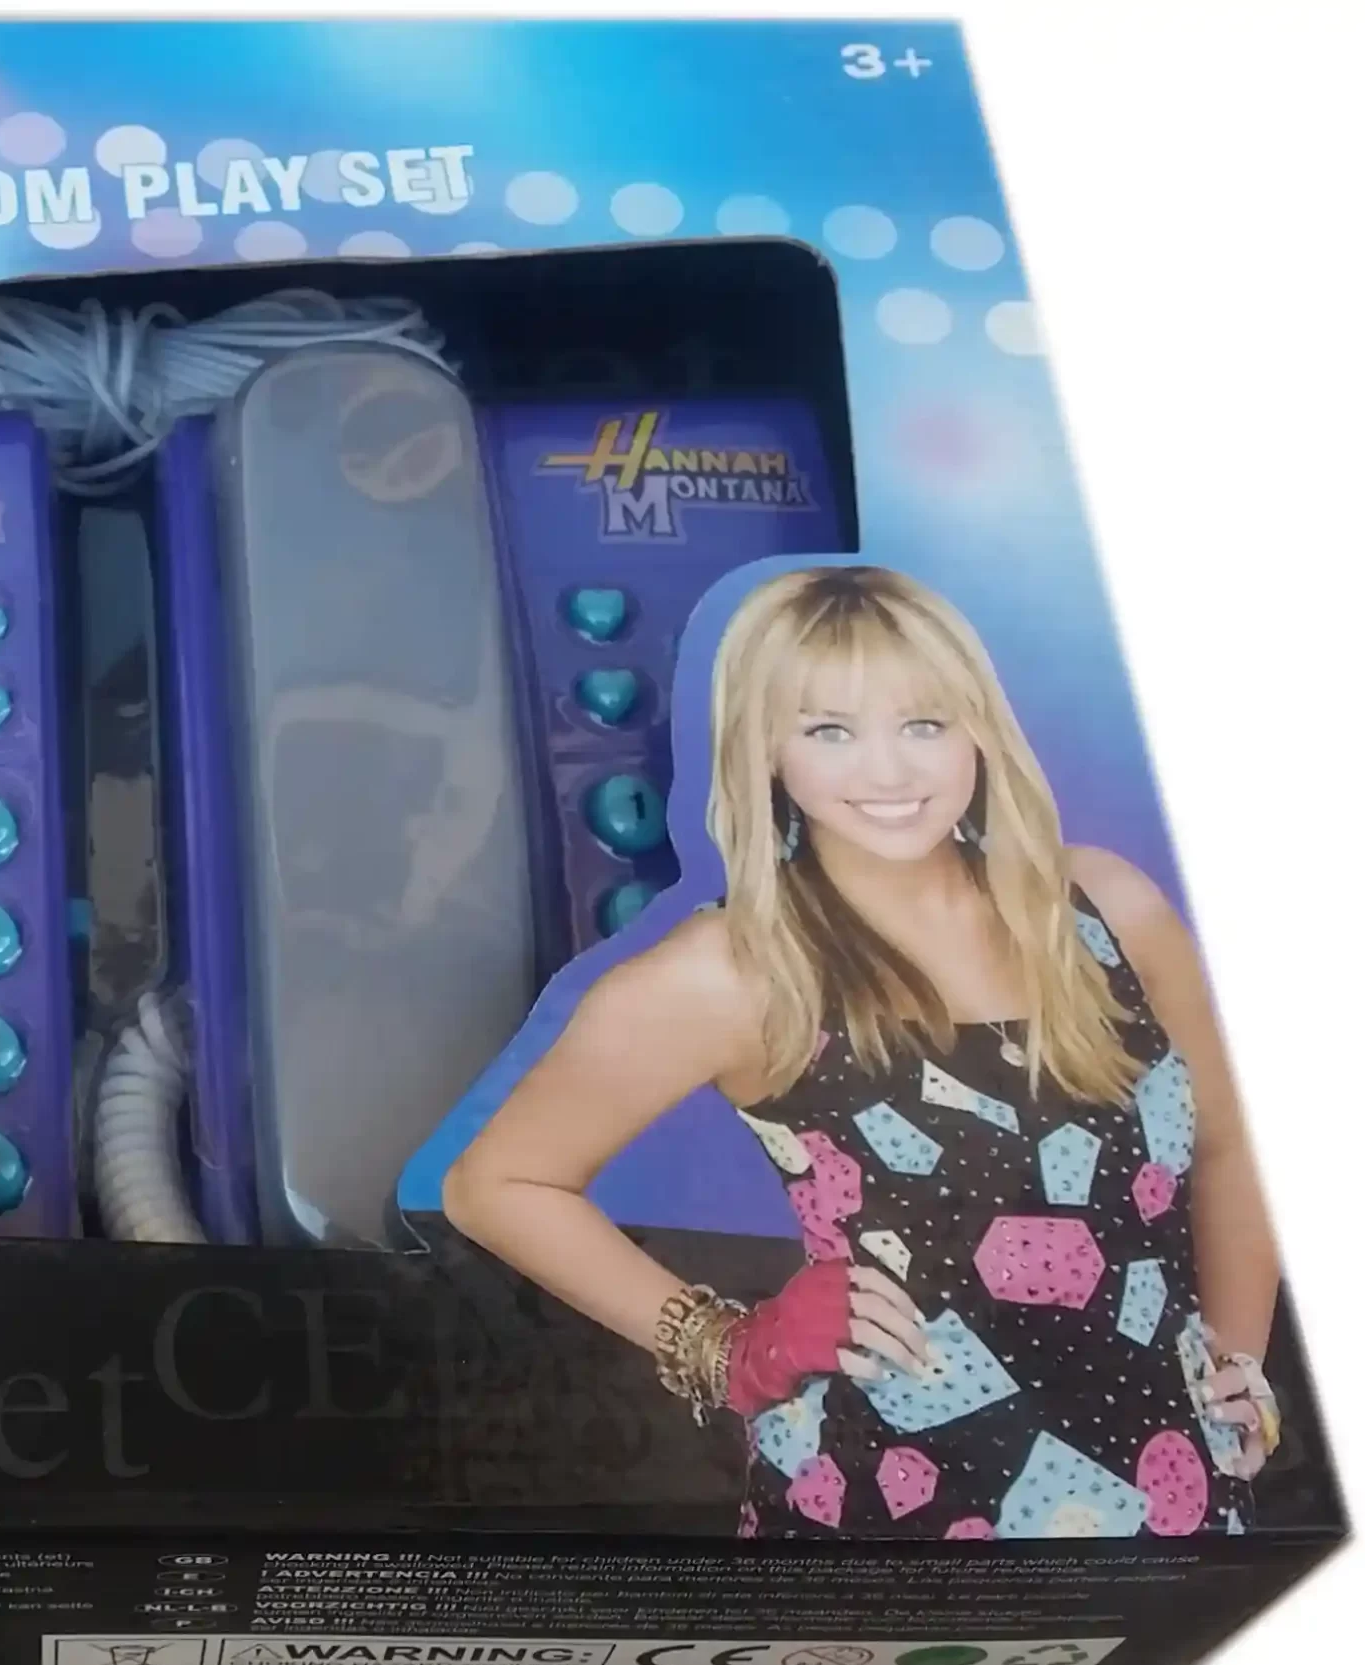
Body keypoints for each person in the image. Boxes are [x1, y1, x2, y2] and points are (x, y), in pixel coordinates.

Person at [442, 566, 1282, 1537]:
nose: (887, 771)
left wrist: (1239, 1362)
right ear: (766, 749)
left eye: (923, 723)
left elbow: (1227, 1146)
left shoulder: (1107, 909)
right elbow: (495, 1183)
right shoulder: (734, 972)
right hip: (890, 1512)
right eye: (829, 730)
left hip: (1173, 1495)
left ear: (977, 730)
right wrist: (726, 1345)